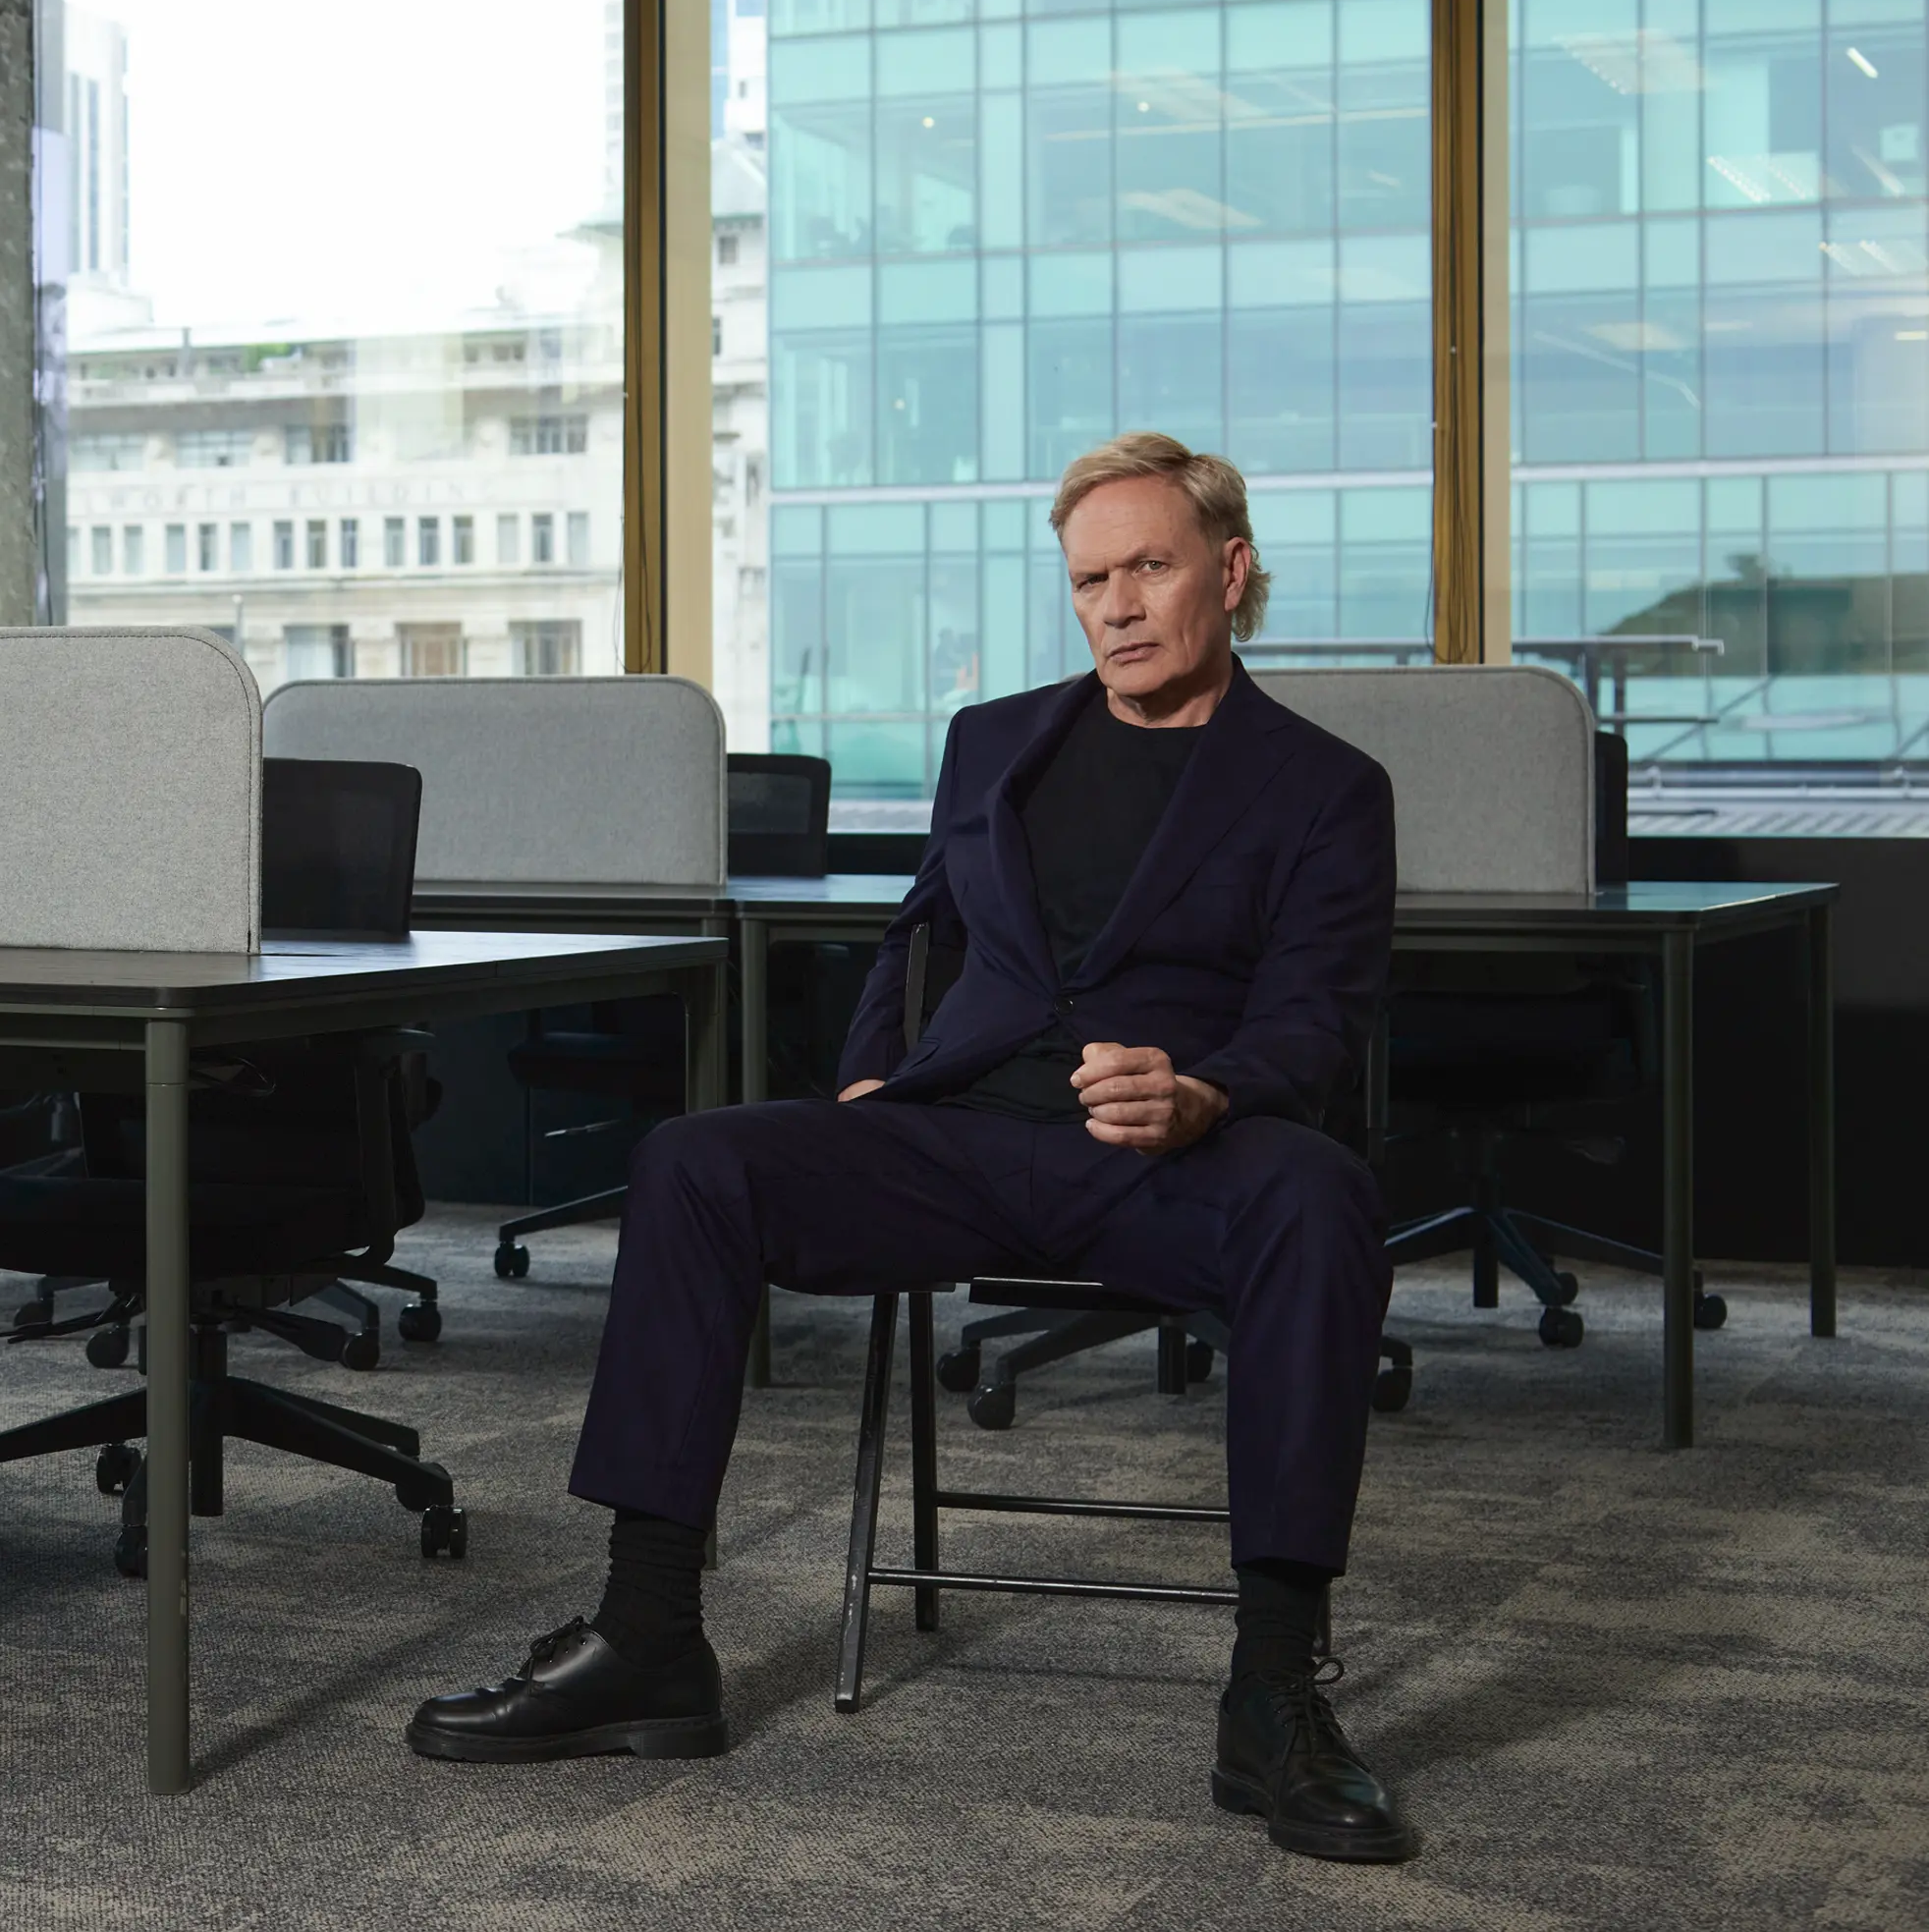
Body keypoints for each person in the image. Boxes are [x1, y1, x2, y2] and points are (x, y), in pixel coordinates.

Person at [409, 431, 1415, 1865]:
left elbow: (1317, 1023)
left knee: (1323, 1198)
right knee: (697, 1161)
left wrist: (1201, 1093)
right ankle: (645, 1640)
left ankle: (1272, 1696)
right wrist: (872, 1072)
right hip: (955, 1135)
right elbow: (920, 930)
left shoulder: (1325, 785)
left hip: (1167, 1157)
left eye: (1149, 567)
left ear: (1229, 572)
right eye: (1089, 581)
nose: (1117, 605)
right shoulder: (998, 740)